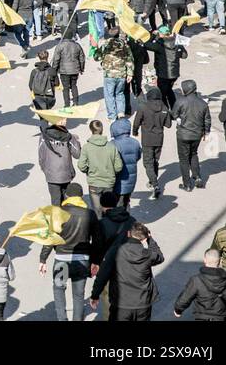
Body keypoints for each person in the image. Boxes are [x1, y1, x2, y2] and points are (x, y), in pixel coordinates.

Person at [38, 182, 98, 321]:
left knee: (59, 291)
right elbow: (97, 240)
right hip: (82, 261)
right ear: (81, 197)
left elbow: (50, 238)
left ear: (66, 195)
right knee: (78, 295)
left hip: (61, 261)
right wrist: (95, 261)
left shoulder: (58, 213)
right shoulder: (89, 214)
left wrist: (43, 259)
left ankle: (62, 319)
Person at [89, 222, 163, 321]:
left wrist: (95, 295)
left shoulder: (116, 251)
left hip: (121, 303)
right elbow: (160, 257)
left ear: (128, 234)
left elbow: (103, 274)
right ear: (144, 239)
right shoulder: (147, 254)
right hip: (142, 304)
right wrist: (150, 239)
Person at [130, 85, 171, 199]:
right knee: (155, 161)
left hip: (147, 139)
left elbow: (137, 121)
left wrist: (135, 131)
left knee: (147, 163)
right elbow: (168, 124)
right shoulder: (164, 107)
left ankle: (155, 185)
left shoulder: (143, 107)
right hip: (159, 139)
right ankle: (152, 180)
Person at [173, 249, 226, 321]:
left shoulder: (196, 280)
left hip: (202, 317)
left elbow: (185, 298)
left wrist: (178, 310)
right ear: (220, 261)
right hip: (222, 317)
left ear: (205, 260)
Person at [172, 79, 211, 191]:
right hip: (197, 135)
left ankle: (187, 184)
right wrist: (206, 132)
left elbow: (173, 114)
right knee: (193, 154)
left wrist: (178, 118)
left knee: (183, 159)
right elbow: (207, 119)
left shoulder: (180, 101)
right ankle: (197, 177)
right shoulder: (203, 103)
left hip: (183, 134)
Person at [78, 118, 123, 213]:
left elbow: (81, 165)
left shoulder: (86, 147)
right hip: (109, 183)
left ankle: (99, 226)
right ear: (102, 130)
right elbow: (119, 166)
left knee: (97, 211)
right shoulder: (111, 147)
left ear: (91, 130)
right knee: (109, 209)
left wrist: (89, 171)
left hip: (94, 183)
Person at [38, 119, 81, 205]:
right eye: (64, 119)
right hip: (66, 173)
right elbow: (77, 154)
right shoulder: (69, 137)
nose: (66, 121)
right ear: (60, 122)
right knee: (66, 201)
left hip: (51, 174)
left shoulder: (43, 136)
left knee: (55, 201)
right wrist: (77, 142)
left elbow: (41, 157)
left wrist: (46, 170)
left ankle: (57, 217)